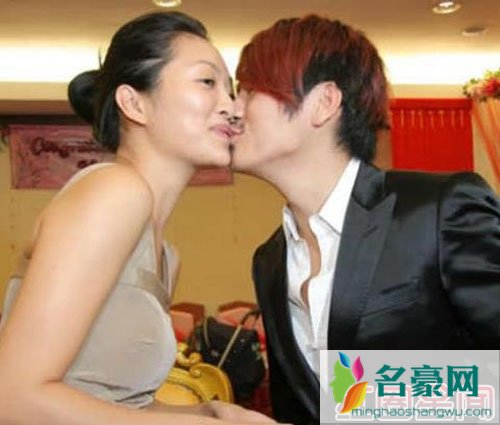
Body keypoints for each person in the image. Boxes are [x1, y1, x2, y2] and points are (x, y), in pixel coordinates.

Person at [0, 11, 275, 425]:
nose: (233, 107)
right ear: (134, 103)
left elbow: (112, 403)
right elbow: (12, 399)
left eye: (231, 89)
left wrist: (210, 412)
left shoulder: (165, 255)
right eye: (207, 82)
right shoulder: (114, 191)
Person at [230, 14, 500, 425]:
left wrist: (358, 395)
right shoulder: (269, 260)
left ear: (323, 102)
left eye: (249, 90)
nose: (232, 109)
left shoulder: (437, 210)